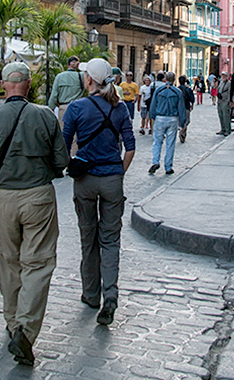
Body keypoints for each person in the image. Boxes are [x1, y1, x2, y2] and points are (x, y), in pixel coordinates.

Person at [0, 62, 69, 366]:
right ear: (28, 85)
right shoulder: (44, 115)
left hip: (3, 198)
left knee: (9, 261)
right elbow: (61, 159)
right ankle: (25, 331)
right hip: (38, 195)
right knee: (38, 263)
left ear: (2, 85)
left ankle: (13, 323)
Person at [62, 58, 135, 326]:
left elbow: (64, 145)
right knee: (111, 240)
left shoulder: (76, 107)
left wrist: (70, 165)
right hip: (112, 179)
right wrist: (119, 172)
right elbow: (130, 146)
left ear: (89, 80)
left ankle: (91, 294)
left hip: (85, 181)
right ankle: (111, 296)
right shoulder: (120, 109)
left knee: (88, 238)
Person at [148, 71, 187, 175]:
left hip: (160, 117)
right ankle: (168, 166)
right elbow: (181, 108)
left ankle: (155, 161)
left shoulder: (159, 90)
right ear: (174, 80)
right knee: (170, 143)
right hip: (172, 118)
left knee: (157, 141)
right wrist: (183, 122)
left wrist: (153, 116)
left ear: (165, 79)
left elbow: (153, 105)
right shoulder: (177, 92)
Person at [48, 55, 84, 127]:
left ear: (68, 64)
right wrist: (81, 66)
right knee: (76, 134)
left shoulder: (59, 77)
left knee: (64, 132)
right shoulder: (81, 76)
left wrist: (50, 109)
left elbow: (54, 96)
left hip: (63, 108)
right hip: (77, 108)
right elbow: (91, 71)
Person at [178, 75, 195, 143]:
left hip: (179, 107)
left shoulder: (177, 89)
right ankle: (183, 132)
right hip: (186, 106)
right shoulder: (188, 89)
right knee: (186, 121)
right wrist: (192, 105)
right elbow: (192, 98)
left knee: (181, 121)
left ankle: (182, 130)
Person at [216, 71, 231, 136]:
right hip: (220, 101)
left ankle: (227, 130)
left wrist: (229, 101)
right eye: (222, 76)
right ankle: (223, 129)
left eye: (225, 76)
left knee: (226, 116)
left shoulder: (229, 83)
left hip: (225, 101)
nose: (223, 77)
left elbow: (230, 92)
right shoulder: (221, 83)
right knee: (221, 115)